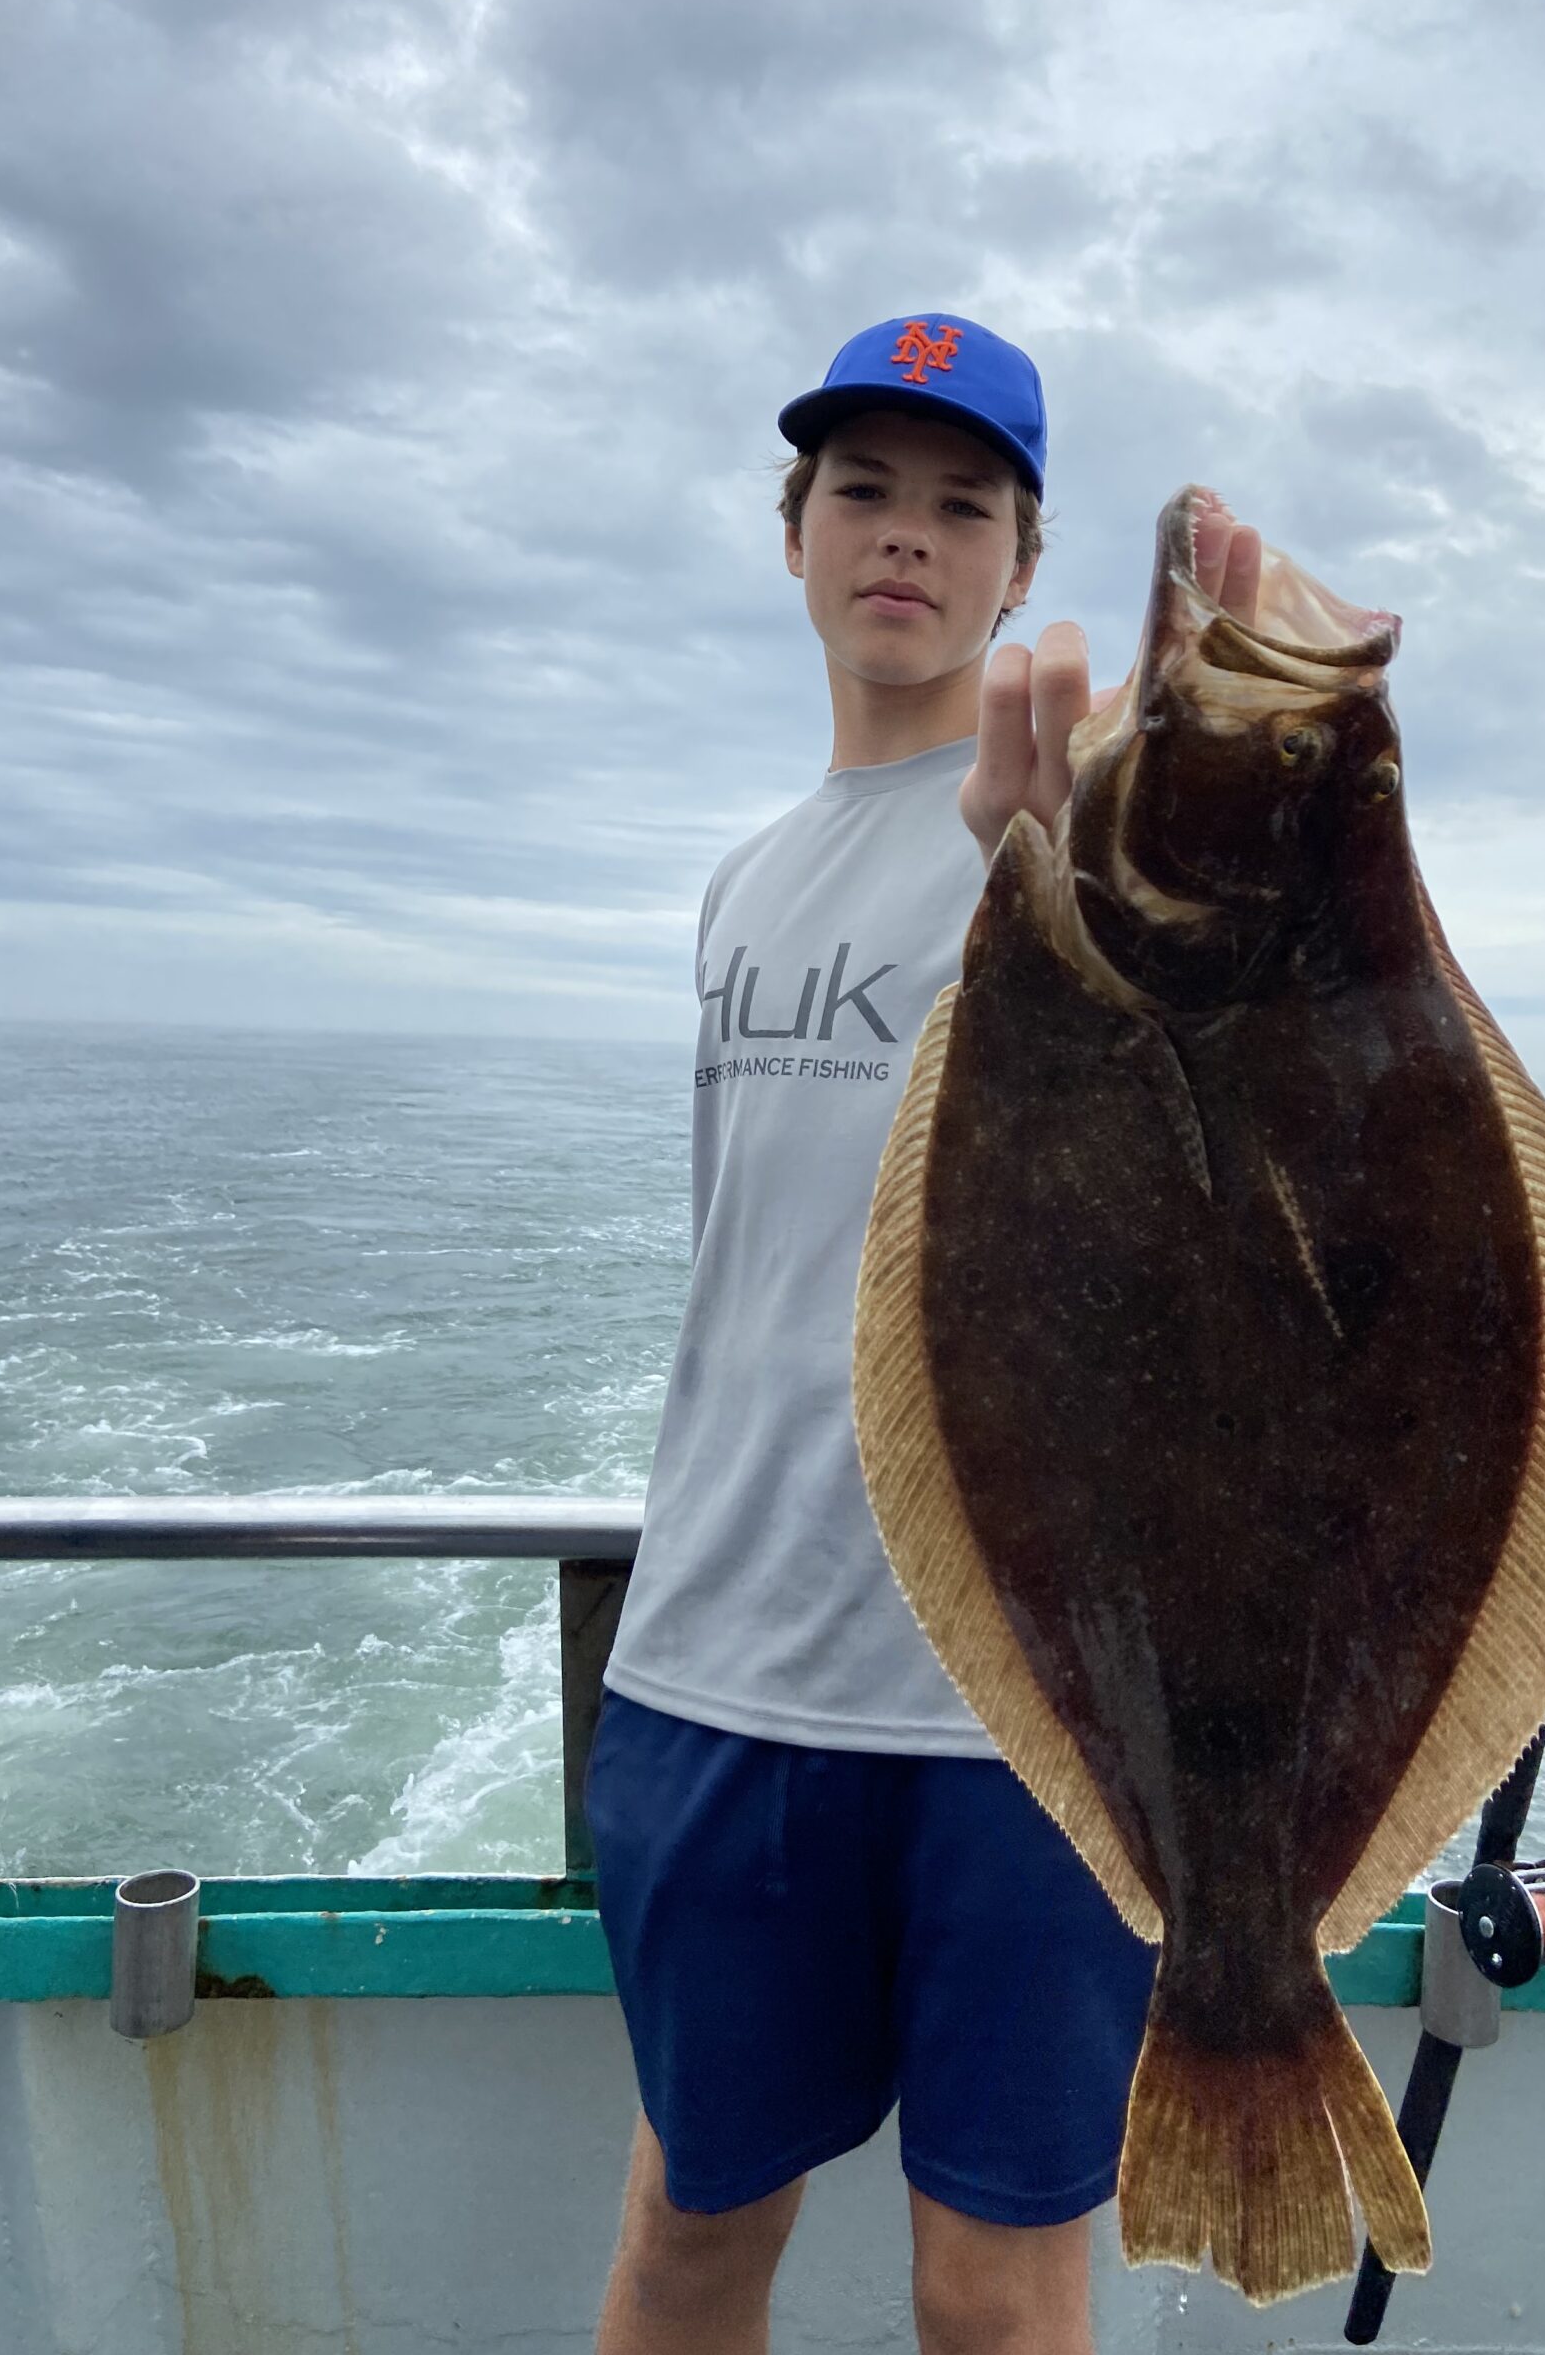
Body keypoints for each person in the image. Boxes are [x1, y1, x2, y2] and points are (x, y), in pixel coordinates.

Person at [586, 315, 1256, 2355]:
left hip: (1025, 1712)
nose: (909, 535)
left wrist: (1111, 843)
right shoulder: (739, 885)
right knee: (692, 2228)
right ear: (790, 533)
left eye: (966, 504)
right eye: (863, 489)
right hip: (715, 1661)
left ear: (1022, 570)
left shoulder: (1097, 821)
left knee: (993, 2293)